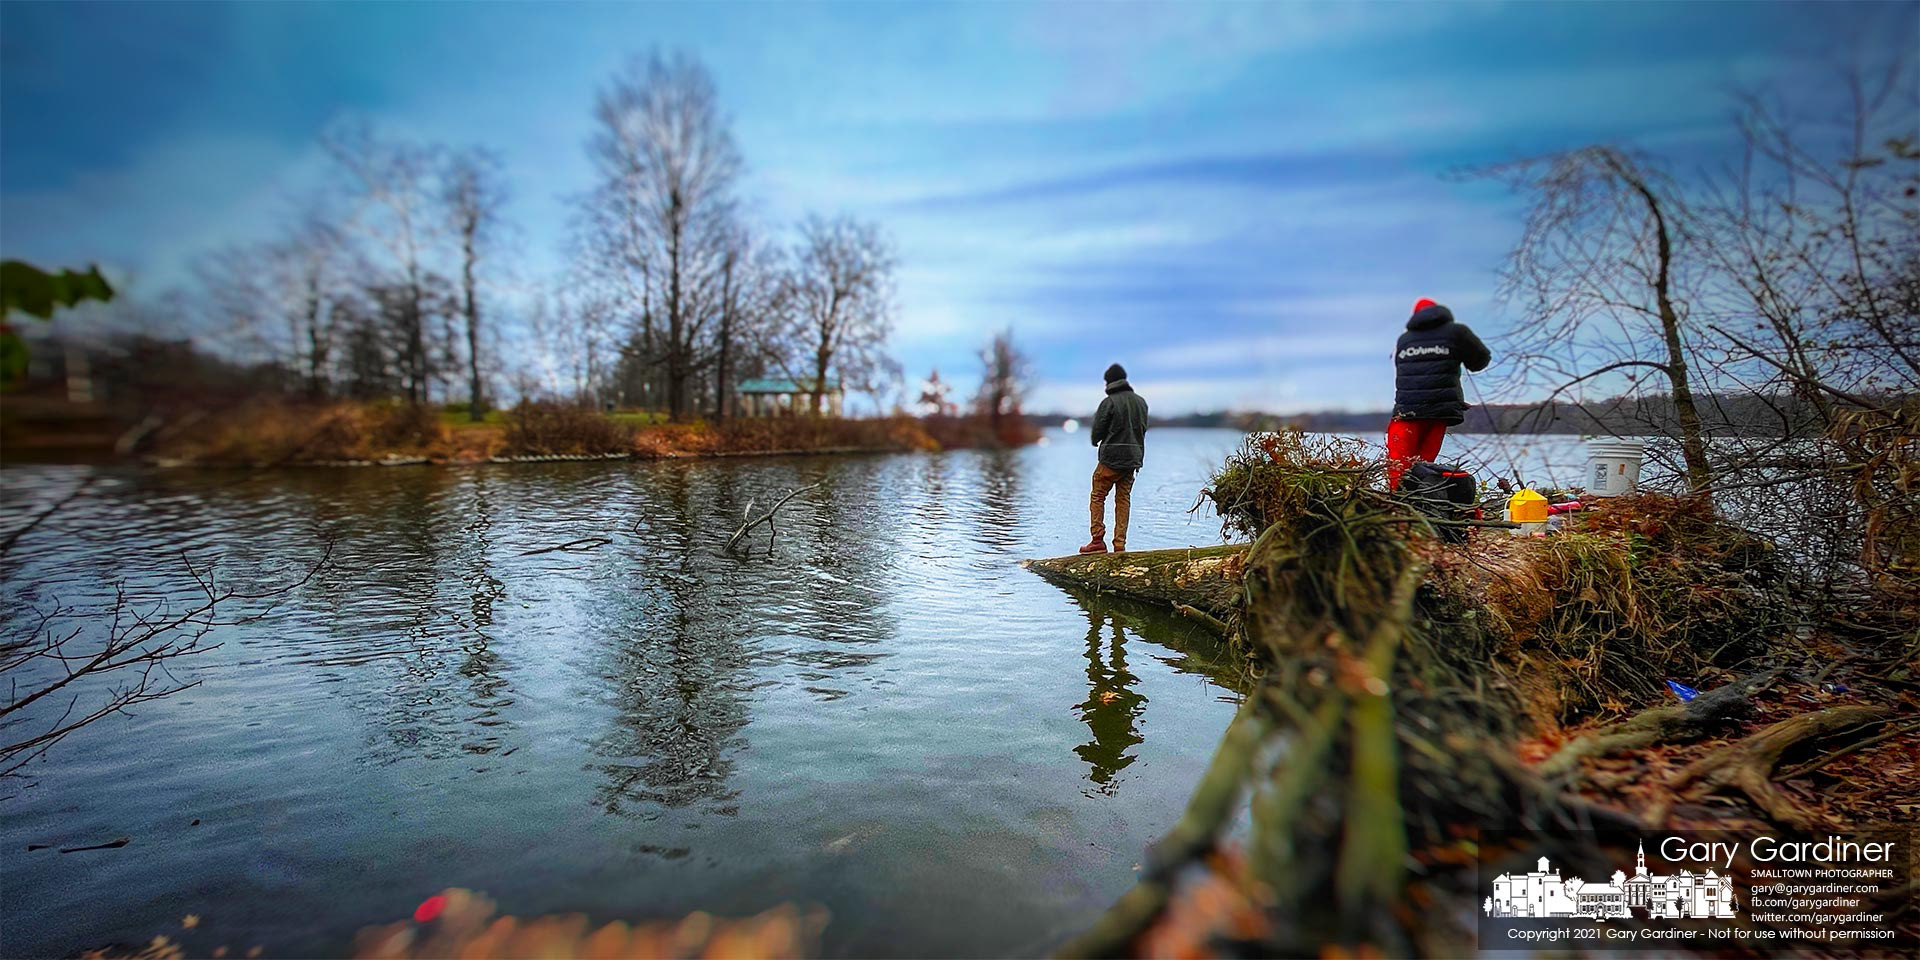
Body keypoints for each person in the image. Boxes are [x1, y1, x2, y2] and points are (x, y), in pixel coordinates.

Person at [1388, 298, 1490, 490]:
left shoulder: (1404, 340)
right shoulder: (1457, 332)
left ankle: (1397, 508)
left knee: (1398, 468)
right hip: (1439, 413)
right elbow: (1480, 360)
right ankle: (1418, 505)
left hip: (1406, 413)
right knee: (1423, 467)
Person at [1082, 363, 1148, 553]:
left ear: (1109, 382)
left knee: (1098, 496)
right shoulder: (1141, 402)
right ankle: (1120, 545)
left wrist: (1096, 441)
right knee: (1123, 499)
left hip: (1111, 458)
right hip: (1133, 459)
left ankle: (1097, 540)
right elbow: (1143, 430)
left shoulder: (1109, 402)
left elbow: (1097, 432)